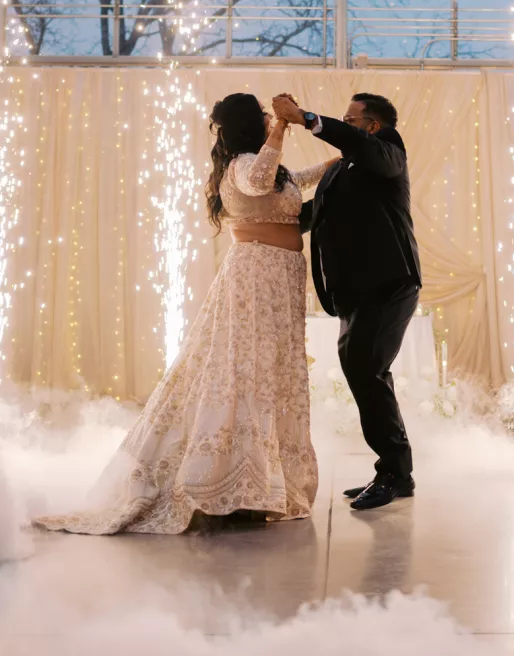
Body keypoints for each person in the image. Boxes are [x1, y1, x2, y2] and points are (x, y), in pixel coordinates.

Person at [34, 93, 333, 535]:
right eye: (264, 116)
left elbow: (293, 182)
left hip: (281, 276)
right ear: (251, 124)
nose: (270, 119)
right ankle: (223, 484)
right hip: (255, 274)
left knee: (270, 372)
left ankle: (259, 484)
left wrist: (336, 162)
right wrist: (283, 128)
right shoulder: (242, 165)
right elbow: (258, 180)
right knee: (243, 370)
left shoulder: (271, 169)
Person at [273, 92, 421, 511]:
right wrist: (257, 218)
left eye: (349, 119)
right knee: (365, 371)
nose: (344, 124)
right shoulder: (342, 170)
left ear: (372, 126)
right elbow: (312, 214)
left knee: (365, 368)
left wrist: (307, 118)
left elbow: (362, 147)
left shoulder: (388, 152)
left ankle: (393, 473)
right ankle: (398, 471)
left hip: (388, 285)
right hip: (354, 292)